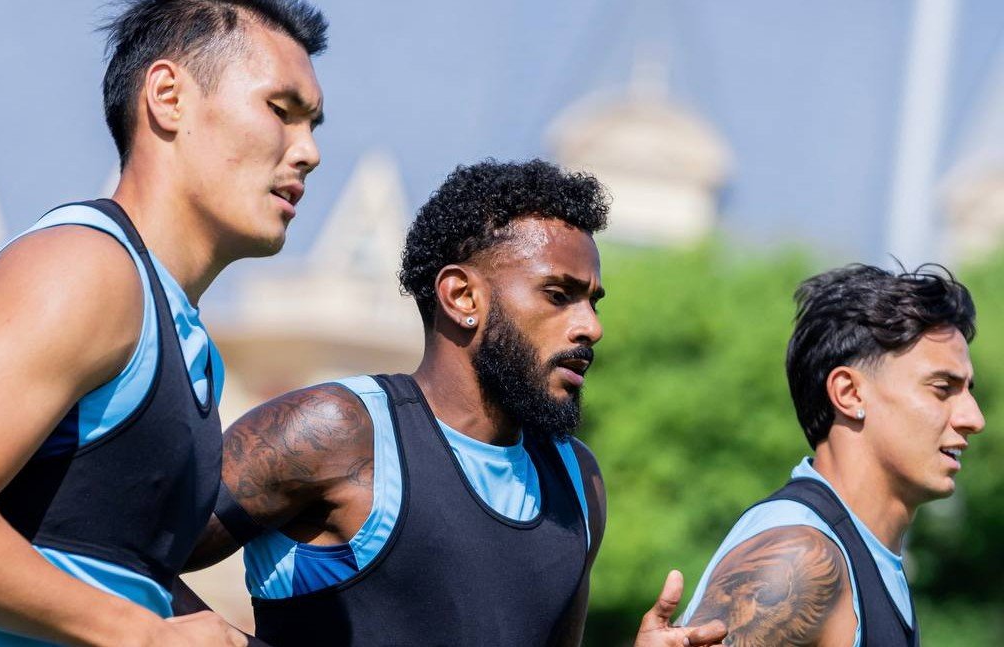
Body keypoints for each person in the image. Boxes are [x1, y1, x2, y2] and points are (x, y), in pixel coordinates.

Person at [182, 159, 726, 646]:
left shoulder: (578, 481)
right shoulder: (334, 431)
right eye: (559, 295)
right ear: (462, 296)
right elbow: (135, 557)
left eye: (592, 302)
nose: (590, 327)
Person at [0, 1, 327, 645]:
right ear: (168, 97)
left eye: (313, 126)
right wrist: (142, 634)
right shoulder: (85, 268)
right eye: (282, 111)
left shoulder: (189, 343)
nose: (308, 152)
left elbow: (117, 573)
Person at [682, 264, 985, 646]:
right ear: (849, 393)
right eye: (942, 388)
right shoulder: (795, 556)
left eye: (968, 391)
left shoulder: (870, 557)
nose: (974, 418)